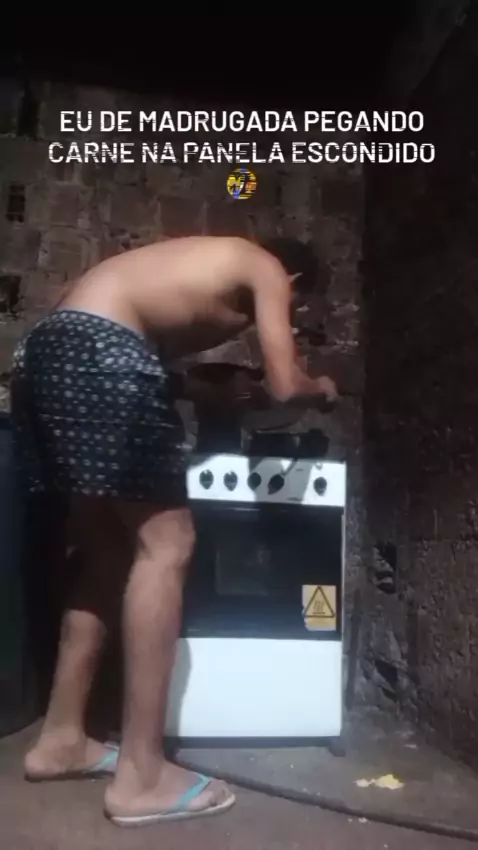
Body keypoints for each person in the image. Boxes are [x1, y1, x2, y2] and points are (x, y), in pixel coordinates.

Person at [10, 235, 337, 827]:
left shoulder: (173, 264)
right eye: (295, 305)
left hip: (44, 354)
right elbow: (285, 387)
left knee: (107, 552)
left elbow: (88, 325)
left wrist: (197, 389)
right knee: (168, 544)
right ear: (293, 282)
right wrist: (321, 387)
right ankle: (142, 775)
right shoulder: (264, 265)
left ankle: (61, 738)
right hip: (102, 350)